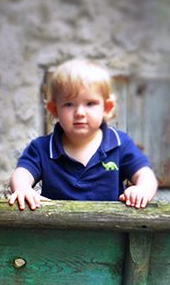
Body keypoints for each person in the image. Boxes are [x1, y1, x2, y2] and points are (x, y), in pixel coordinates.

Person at [8, 58, 158, 210]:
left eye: (90, 104)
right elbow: (22, 173)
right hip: (56, 230)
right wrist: (23, 188)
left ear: (106, 107)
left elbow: (145, 175)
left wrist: (142, 190)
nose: (79, 113)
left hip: (110, 229)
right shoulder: (42, 148)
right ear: (54, 109)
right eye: (69, 104)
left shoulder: (120, 144)